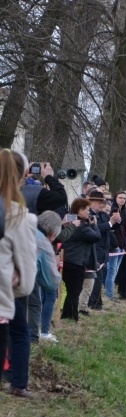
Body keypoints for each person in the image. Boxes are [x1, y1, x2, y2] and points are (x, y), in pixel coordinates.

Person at [0, 150, 38, 398]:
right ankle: (18, 382)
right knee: (20, 331)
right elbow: (27, 276)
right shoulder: (18, 215)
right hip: (5, 296)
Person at [60, 198, 100, 321]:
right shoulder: (82, 226)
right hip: (76, 262)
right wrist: (94, 226)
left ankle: (67, 314)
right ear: (81, 210)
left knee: (71, 290)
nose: (89, 213)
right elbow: (96, 237)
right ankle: (72, 316)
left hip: (67, 259)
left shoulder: (70, 222)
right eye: (87, 210)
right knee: (75, 291)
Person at [34, 211, 63, 343]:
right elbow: (50, 281)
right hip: (20, 282)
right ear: (53, 235)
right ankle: (40, 334)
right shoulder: (44, 243)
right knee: (43, 297)